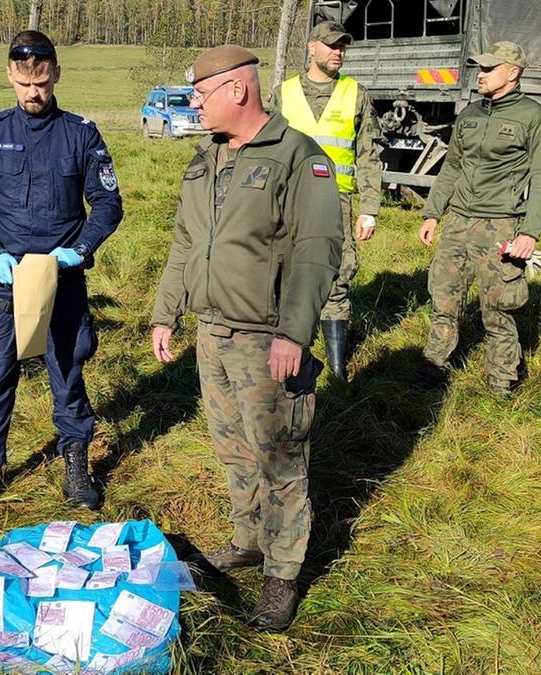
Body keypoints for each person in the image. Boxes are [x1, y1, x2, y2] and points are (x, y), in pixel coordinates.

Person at [149, 45, 342, 632]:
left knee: (280, 457)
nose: (195, 106)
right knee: (233, 448)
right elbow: (186, 243)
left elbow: (317, 252)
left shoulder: (297, 158)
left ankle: (282, 576)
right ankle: (248, 540)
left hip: (269, 340)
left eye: (202, 95)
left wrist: (294, 332)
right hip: (213, 334)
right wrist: (165, 313)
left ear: (237, 91)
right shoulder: (205, 160)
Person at [0, 30, 123, 513]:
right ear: (10, 76)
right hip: (3, 281)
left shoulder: (82, 133)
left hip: (60, 280)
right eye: (25, 84)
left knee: (67, 374)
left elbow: (108, 203)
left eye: (43, 84)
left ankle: (75, 466)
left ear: (56, 76)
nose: (34, 93)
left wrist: (81, 249)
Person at [418, 41, 541, 396]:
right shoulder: (469, 114)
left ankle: (501, 382)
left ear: (512, 73)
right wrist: (433, 212)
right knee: (443, 299)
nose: (480, 75)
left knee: (498, 308)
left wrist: (530, 232)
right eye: (479, 68)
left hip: (498, 225)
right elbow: (452, 167)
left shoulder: (535, 118)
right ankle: (434, 367)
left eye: (488, 69)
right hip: (457, 223)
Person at [270, 20, 383, 382]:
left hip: (337, 201)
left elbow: (368, 154)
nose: (338, 52)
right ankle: (288, 355)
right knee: (283, 274)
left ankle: (336, 372)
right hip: (289, 200)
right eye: (332, 45)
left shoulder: (356, 94)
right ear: (311, 47)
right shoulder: (283, 93)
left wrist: (369, 209)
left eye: (343, 47)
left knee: (338, 275)